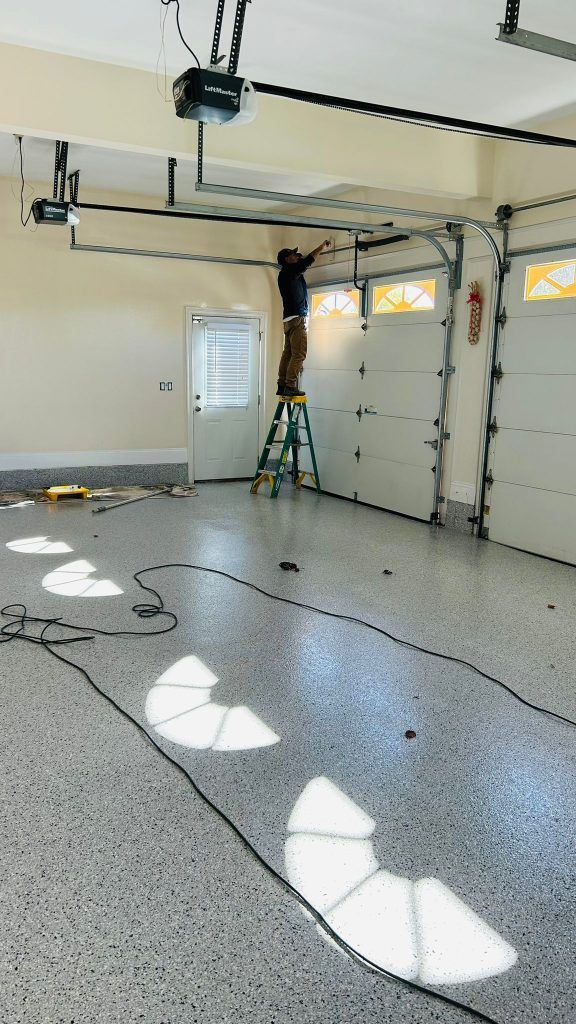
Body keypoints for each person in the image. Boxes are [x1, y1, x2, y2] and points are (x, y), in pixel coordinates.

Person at [276, 239, 331, 397]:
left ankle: (282, 384)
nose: (296, 256)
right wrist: (322, 246)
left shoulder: (286, 274)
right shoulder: (290, 271)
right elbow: (308, 261)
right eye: (293, 254)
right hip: (297, 318)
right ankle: (290, 385)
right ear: (287, 259)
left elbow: (302, 262)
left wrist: (298, 258)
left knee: (288, 353)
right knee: (299, 354)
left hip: (288, 319)